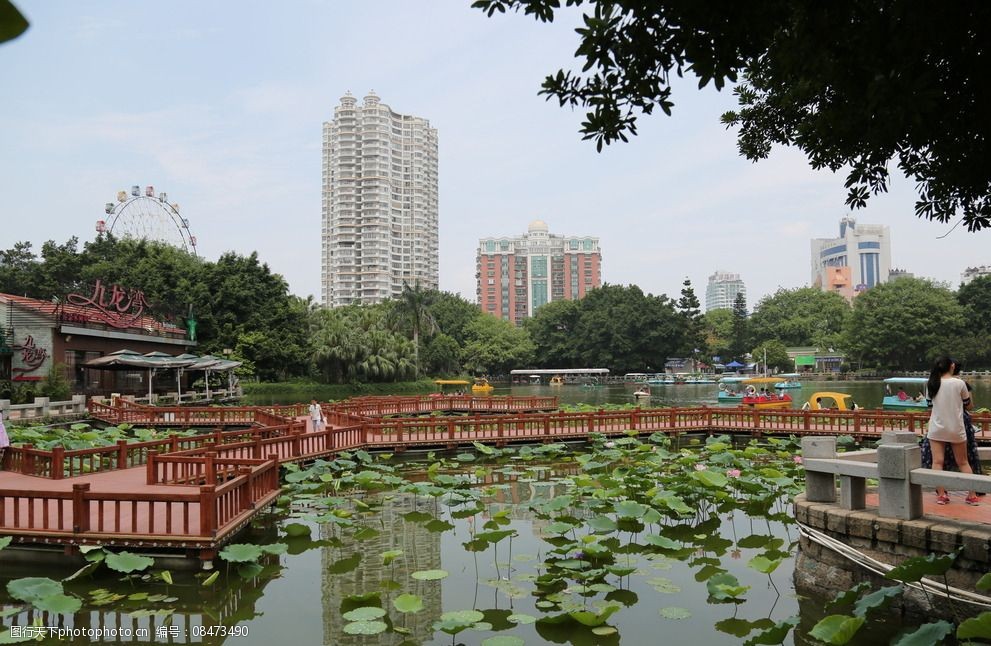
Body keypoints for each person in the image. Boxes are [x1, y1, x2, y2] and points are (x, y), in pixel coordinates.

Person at [926, 356, 978, 505]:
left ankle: (942, 495)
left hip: (936, 428)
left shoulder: (931, 383)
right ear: (952, 366)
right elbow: (968, 405)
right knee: (963, 462)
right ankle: (972, 495)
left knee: (937, 462)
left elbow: (929, 406)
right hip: (956, 427)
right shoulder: (959, 383)